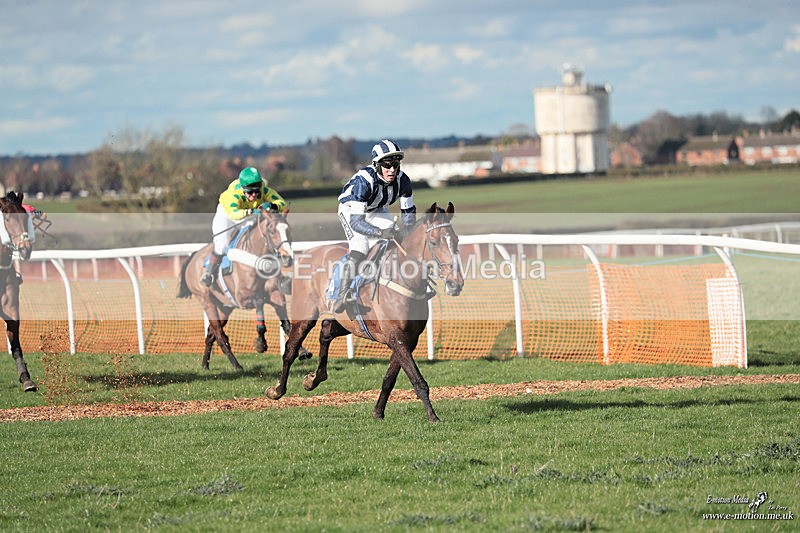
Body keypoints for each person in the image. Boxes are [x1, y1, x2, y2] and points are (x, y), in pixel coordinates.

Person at [333, 139, 416, 312]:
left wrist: (408, 233)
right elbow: (357, 222)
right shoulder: (364, 182)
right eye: (387, 165)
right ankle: (342, 295)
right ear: (377, 165)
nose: (392, 169)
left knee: (398, 240)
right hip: (351, 211)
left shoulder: (403, 180)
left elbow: (408, 214)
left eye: (395, 164)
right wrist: (380, 232)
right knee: (360, 247)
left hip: (376, 209)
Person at [201, 166, 288, 286]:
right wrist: (249, 211)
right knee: (222, 244)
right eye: (250, 192)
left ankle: (278, 274)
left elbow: (282, 203)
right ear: (243, 189)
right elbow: (234, 214)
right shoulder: (234, 194)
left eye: (256, 191)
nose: (253, 195)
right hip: (227, 215)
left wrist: (271, 205)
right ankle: (209, 273)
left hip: (249, 214)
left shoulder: (264, 190)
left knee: (263, 236)